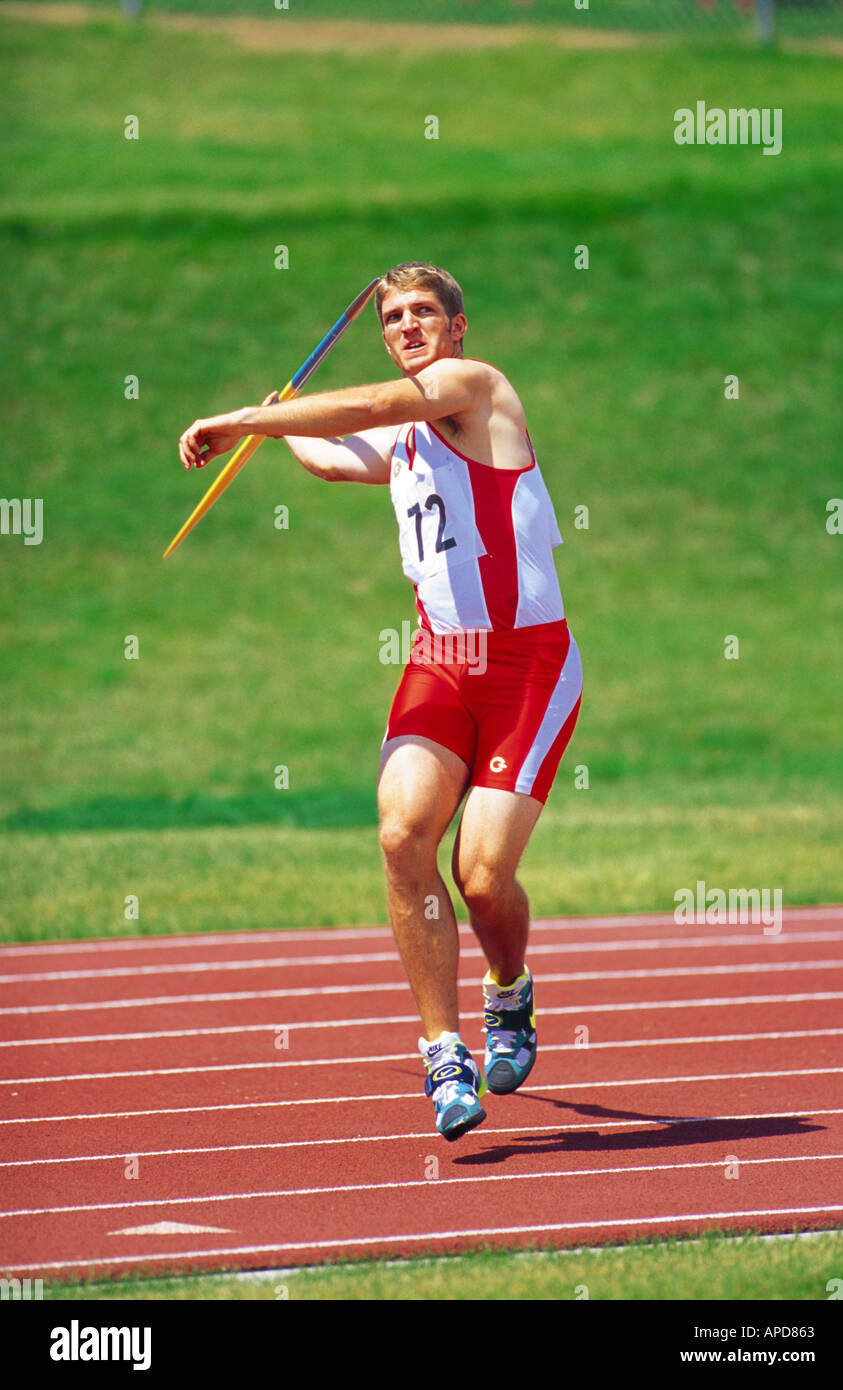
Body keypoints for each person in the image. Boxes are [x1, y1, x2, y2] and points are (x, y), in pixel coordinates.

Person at [178, 262, 583, 1141]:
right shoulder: (408, 437)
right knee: (402, 834)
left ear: (457, 327)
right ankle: (443, 1052)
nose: (405, 326)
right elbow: (333, 453)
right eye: (393, 316)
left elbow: (363, 408)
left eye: (422, 313)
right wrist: (276, 424)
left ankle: (507, 989)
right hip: (440, 662)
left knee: (481, 877)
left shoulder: (476, 390)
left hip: (527, 668)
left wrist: (246, 417)